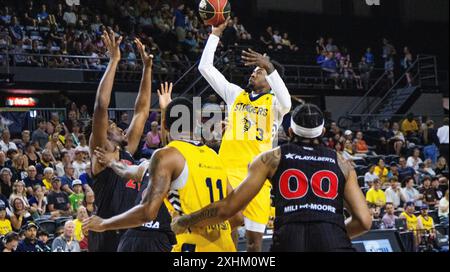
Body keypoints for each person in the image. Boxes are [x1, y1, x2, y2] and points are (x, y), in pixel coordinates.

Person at [171, 104, 371, 252]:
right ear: (323, 132)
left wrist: (186, 220)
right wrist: (331, 232)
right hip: (333, 241)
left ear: (290, 131)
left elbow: (228, 208)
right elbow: (364, 221)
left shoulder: (270, 158)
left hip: (289, 242)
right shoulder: (342, 164)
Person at [84, 97, 238, 252]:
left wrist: (104, 224)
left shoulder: (167, 156)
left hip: (191, 246)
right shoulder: (215, 157)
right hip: (224, 246)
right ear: (196, 124)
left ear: (163, 125)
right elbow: (237, 218)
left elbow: (147, 213)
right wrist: (112, 163)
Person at [196, 18, 292, 252]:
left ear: (269, 80)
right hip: (227, 172)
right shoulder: (235, 94)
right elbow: (205, 68)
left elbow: (287, 102)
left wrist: (268, 66)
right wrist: (215, 34)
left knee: (254, 243)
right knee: (228, 227)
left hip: (257, 176)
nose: (253, 73)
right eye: (254, 70)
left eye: (259, 72)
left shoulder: (275, 104)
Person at [88, 31, 153, 252]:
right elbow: (100, 106)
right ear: (104, 134)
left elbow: (142, 111)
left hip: (130, 231)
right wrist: (114, 60)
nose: (120, 127)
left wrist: (147, 69)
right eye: (113, 126)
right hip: (106, 233)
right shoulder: (100, 154)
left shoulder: (127, 151)